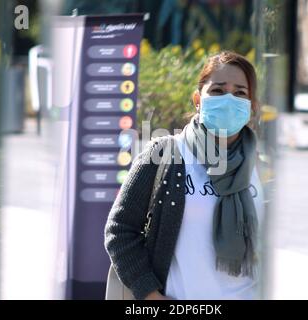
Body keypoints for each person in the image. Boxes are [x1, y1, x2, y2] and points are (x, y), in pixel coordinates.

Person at [104, 51, 264, 300]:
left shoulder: (263, 165)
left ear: (252, 106)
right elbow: (119, 230)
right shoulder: (166, 154)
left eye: (240, 93)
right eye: (218, 91)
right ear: (198, 99)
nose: (228, 99)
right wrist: (150, 294)